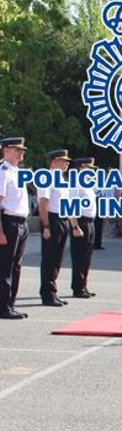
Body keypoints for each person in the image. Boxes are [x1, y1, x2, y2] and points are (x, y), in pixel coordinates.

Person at [38, 149, 74, 307]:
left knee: (57, 259)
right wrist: (46, 226)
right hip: (52, 220)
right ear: (53, 161)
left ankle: (53, 291)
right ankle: (47, 294)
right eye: (63, 160)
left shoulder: (61, 180)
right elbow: (43, 203)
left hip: (62, 220)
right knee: (49, 258)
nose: (67, 163)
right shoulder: (46, 178)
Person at [0, 136, 30, 320]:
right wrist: (0, 231)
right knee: (5, 267)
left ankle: (11, 304)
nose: (21, 153)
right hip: (8, 222)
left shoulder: (17, 172)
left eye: (22, 150)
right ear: (6, 151)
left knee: (16, 266)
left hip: (21, 223)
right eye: (17, 150)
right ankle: (3, 307)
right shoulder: (3, 172)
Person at [68, 157, 99, 299]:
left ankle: (83, 285)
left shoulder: (87, 184)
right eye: (89, 168)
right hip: (80, 222)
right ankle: (77, 288)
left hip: (90, 222)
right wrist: (75, 226)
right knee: (79, 257)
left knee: (86, 257)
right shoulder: (75, 184)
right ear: (81, 168)